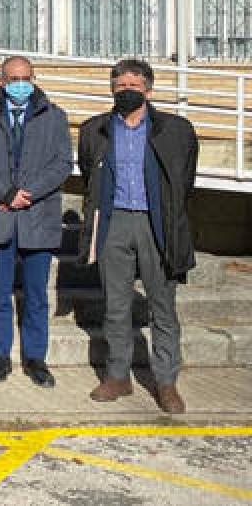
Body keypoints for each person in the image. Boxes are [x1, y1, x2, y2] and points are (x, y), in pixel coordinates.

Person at [79, 59, 198, 414]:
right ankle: (117, 376)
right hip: (115, 222)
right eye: (119, 86)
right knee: (116, 306)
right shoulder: (95, 129)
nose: (126, 91)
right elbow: (90, 173)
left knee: (163, 307)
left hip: (156, 225)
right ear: (111, 90)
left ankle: (166, 382)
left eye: (133, 85)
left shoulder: (175, 129)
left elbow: (184, 179)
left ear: (148, 88)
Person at [0, 56, 71, 389]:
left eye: (25, 78)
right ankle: (0, 357)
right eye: (13, 79)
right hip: (0, 215)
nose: (19, 84)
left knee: (37, 294)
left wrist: (30, 192)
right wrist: (7, 192)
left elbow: (62, 163)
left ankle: (36, 358)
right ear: (1, 81)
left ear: (34, 79)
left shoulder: (54, 117)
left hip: (37, 216)